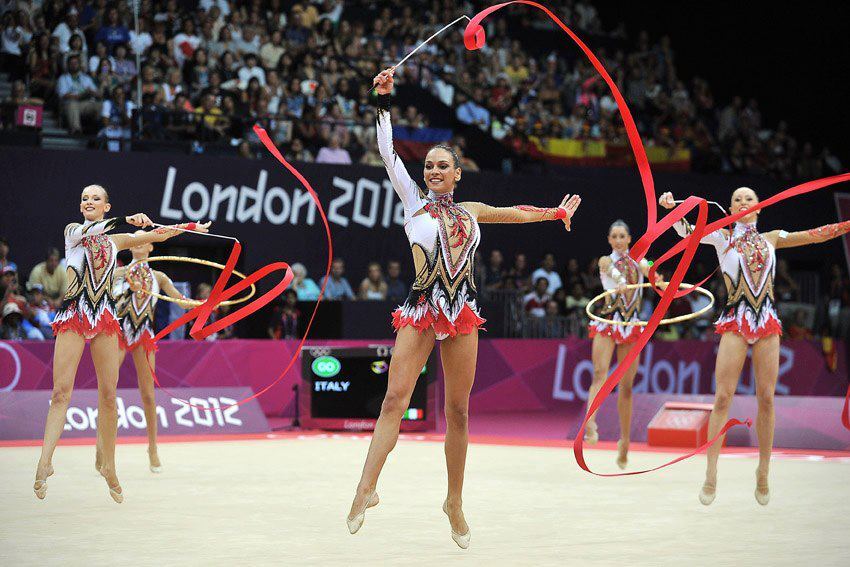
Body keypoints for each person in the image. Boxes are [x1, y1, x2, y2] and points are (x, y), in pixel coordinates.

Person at [346, 68, 581, 549]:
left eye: (441, 166)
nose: (432, 171)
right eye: (428, 165)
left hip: (462, 313)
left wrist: (555, 213)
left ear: (457, 173)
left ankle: (454, 500)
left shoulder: (471, 210)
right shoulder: (411, 201)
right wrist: (381, 98)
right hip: (421, 309)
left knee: (458, 410)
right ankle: (365, 487)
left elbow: (514, 213)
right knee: (395, 399)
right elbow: (388, 152)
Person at [660, 187, 850, 506]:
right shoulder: (721, 237)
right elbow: (687, 233)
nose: (744, 203)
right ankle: (711, 473)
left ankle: (763, 471)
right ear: (730, 207)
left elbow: (813, 236)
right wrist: (671, 209)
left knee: (766, 398)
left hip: (766, 322)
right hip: (736, 319)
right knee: (722, 398)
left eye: (749, 199)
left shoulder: (773, 237)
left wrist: (846, 225)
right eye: (737, 199)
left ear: (759, 208)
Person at [33, 184, 209, 504]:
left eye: (95, 199)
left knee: (110, 395)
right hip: (75, 314)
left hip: (104, 320)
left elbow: (157, 236)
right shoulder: (73, 232)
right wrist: (128, 220)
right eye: (84, 197)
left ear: (106, 205)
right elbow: (96, 231)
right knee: (61, 392)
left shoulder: (118, 243)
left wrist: (190, 226)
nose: (88, 201)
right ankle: (45, 462)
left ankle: (110, 467)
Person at [95, 233, 194, 474]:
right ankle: (102, 450)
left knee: (148, 394)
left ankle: (153, 448)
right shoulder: (118, 273)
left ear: (150, 246)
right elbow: (107, 299)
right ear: (130, 247)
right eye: (134, 240)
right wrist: (129, 287)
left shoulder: (158, 277)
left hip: (143, 336)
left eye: (143, 240)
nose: (138, 243)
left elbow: (179, 301)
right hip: (118, 333)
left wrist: (199, 304)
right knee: (107, 391)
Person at [583, 220, 656, 469]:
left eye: (622, 236)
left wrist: (660, 278)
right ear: (609, 239)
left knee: (626, 387)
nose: (617, 240)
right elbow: (608, 269)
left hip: (631, 325)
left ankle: (624, 441)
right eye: (613, 236)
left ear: (629, 239)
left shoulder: (639, 260)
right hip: (608, 321)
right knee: (599, 374)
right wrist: (620, 279)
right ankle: (590, 424)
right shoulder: (606, 261)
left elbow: (651, 270)